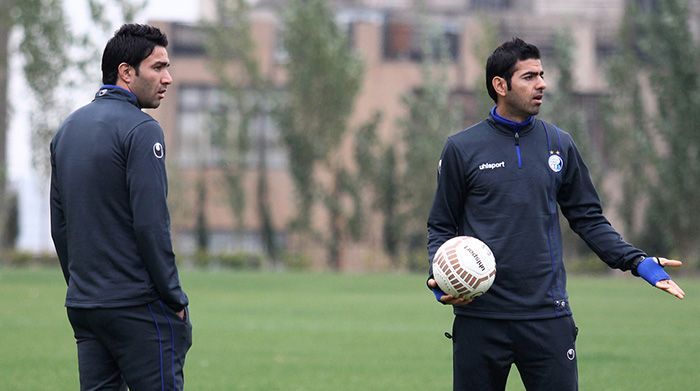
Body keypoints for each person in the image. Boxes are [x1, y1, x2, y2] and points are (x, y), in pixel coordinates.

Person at [426, 37, 685, 391]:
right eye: (529, 77)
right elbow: (441, 225)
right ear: (500, 86)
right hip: (481, 318)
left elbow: (588, 219)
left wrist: (636, 261)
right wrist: (439, 276)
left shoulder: (558, 144)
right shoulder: (461, 149)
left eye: (542, 75)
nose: (542, 84)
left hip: (547, 315)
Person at [50, 23, 192, 391]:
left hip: (86, 305)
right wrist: (174, 297)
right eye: (158, 67)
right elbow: (151, 225)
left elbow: (60, 226)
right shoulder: (142, 130)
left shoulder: (67, 130)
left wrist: (83, 287)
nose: (169, 78)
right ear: (126, 72)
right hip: (136, 307)